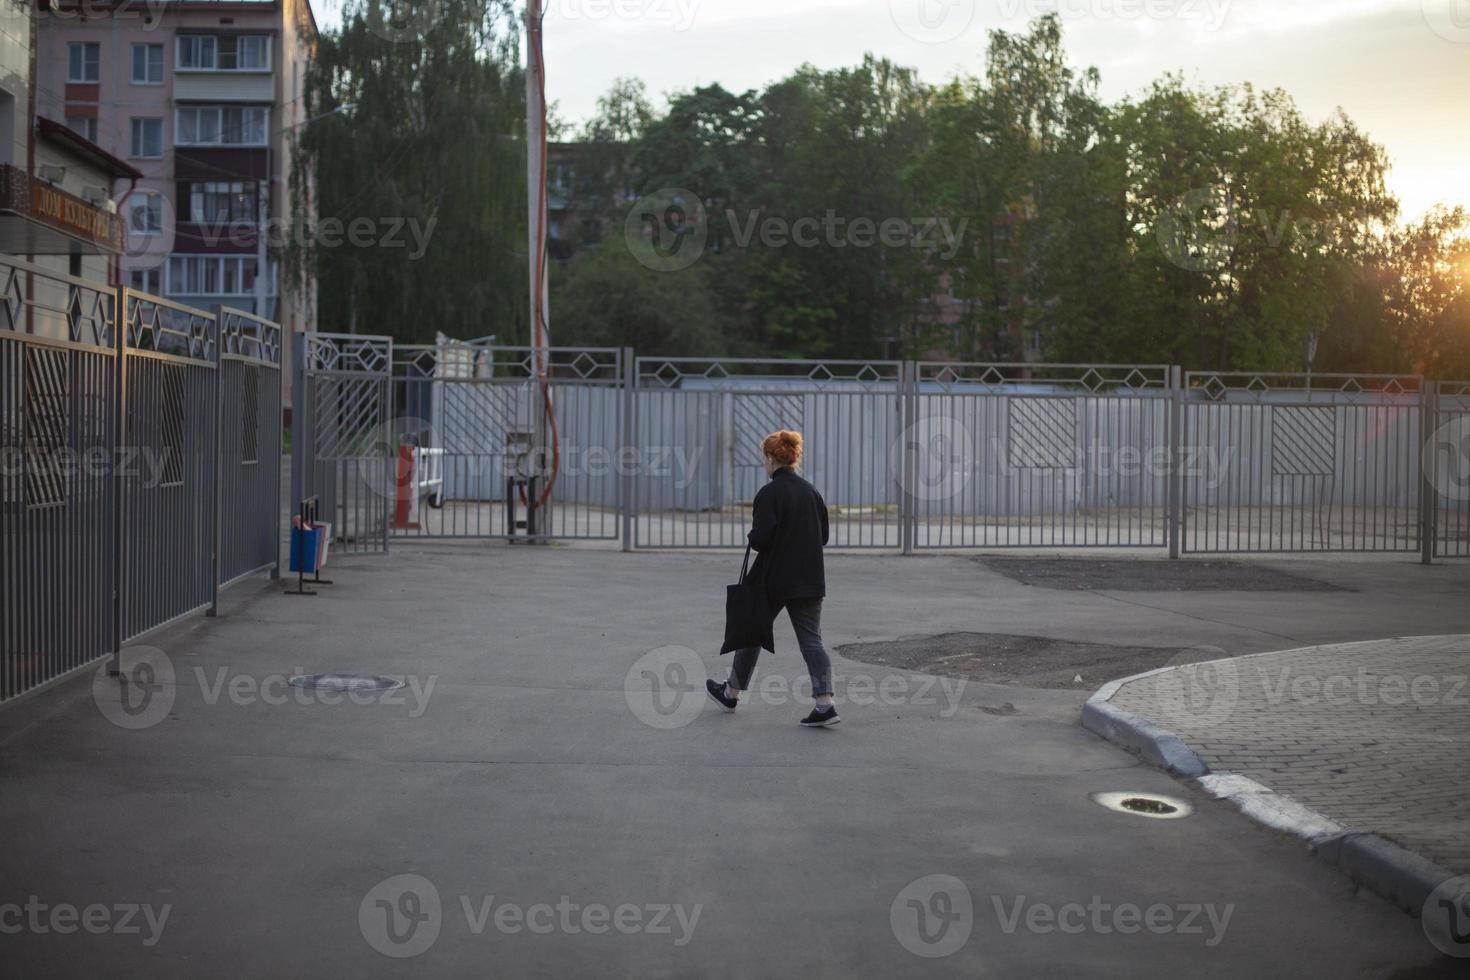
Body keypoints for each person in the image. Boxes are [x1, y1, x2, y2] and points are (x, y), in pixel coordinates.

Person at [706, 430, 840, 727]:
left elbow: (761, 540)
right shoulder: (811, 491)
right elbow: (824, 536)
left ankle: (731, 693)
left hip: (773, 580)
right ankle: (825, 704)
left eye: (763, 459)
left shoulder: (769, 493)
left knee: (752, 630)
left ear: (770, 458)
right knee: (812, 641)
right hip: (809, 578)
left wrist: (753, 535)